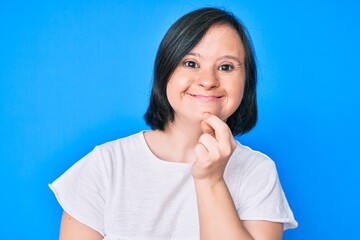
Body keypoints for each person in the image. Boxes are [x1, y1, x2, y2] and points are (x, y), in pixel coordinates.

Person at [50, 7, 297, 240]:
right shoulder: (105, 165)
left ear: (246, 83)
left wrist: (210, 180)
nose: (208, 80)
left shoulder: (258, 171)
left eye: (226, 66)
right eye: (191, 63)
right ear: (165, 71)